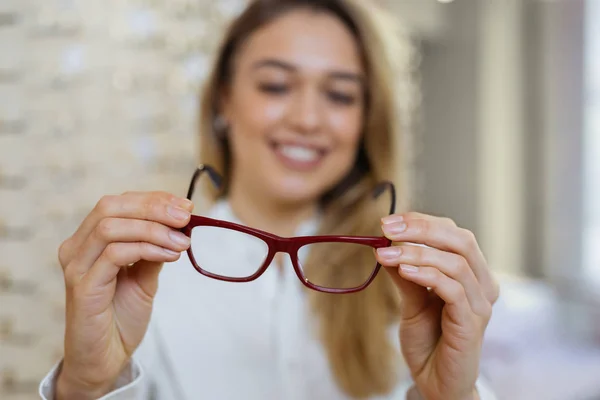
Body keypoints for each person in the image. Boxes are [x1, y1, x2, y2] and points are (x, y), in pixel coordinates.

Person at [39, 0, 500, 399]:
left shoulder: (410, 287)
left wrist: (454, 398)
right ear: (224, 101)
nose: (307, 119)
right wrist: (87, 386)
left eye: (339, 95)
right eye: (276, 86)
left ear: (365, 123)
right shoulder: (143, 276)